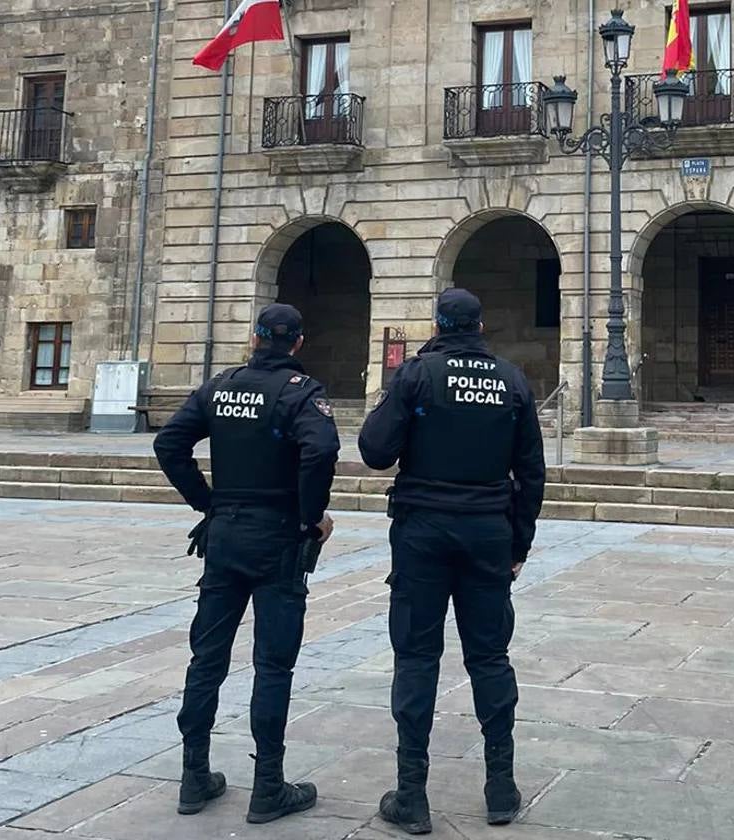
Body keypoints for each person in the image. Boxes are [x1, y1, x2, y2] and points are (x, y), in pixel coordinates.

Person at [358, 288, 546, 835]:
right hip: (488, 532)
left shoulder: (417, 375)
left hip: (422, 532)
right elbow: (532, 473)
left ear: (437, 323)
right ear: (481, 326)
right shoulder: (511, 380)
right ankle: (501, 788)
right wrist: (519, 546)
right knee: (490, 657)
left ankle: (412, 794)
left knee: (416, 657)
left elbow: (374, 451)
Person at [154, 303, 340, 824]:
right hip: (278, 536)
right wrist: (310, 516)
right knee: (273, 664)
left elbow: (169, 443)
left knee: (206, 658)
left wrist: (206, 501)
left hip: (225, 535)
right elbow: (321, 449)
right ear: (298, 343)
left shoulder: (221, 387)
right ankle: (268, 786)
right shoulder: (301, 392)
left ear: (254, 338)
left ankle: (194, 777)